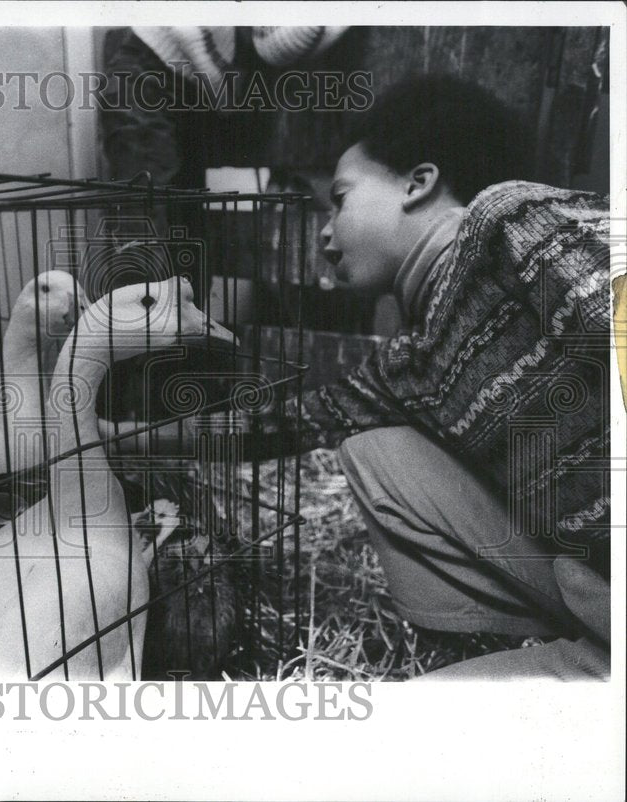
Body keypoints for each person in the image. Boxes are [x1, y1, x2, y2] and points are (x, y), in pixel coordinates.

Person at [107, 73, 612, 680]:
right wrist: (105, 437)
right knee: (374, 452)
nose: (324, 232)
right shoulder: (413, 358)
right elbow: (271, 427)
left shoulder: (511, 220)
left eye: (340, 199)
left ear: (417, 184)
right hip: (599, 591)